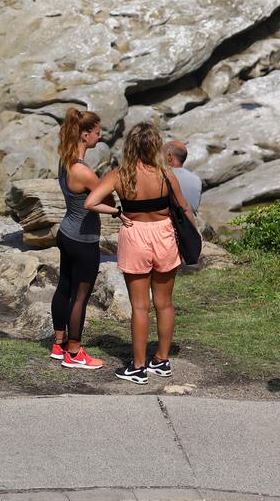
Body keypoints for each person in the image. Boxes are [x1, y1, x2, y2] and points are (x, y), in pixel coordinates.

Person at [85, 122, 195, 385]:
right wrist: (194, 236)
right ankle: (162, 360)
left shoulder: (119, 175)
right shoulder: (167, 175)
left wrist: (117, 212)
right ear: (156, 146)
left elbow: (90, 202)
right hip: (164, 233)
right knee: (165, 303)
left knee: (140, 307)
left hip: (135, 234)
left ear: (130, 146)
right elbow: (185, 208)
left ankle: (138, 366)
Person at [51, 109, 105, 370]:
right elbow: (104, 198)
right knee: (81, 296)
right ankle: (74, 351)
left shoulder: (65, 159)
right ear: (85, 135)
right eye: (97, 132)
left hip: (66, 233)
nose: (100, 136)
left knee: (64, 286)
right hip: (84, 239)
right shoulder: (83, 170)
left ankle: (58, 343)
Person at [163, 140, 202, 215]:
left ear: (169, 157)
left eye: (160, 154)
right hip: (189, 224)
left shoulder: (162, 176)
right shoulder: (197, 180)